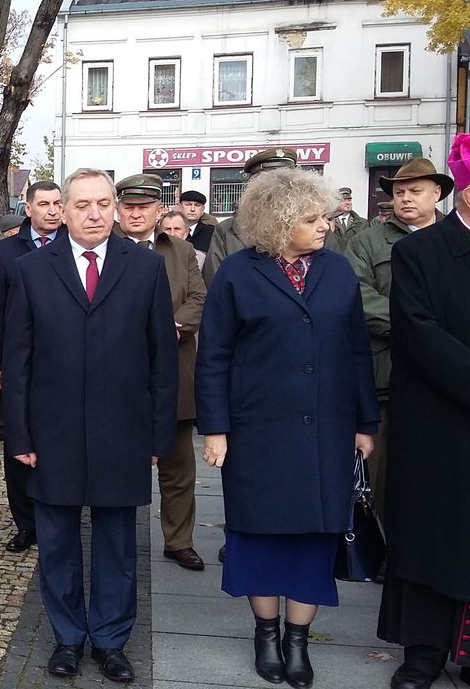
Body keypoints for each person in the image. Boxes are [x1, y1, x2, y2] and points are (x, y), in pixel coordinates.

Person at [196, 167, 379, 688]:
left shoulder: (338, 271)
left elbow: (356, 351)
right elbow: (214, 356)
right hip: (258, 433)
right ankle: (265, 633)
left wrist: (366, 421)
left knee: (313, 539)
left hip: (326, 430)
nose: (324, 225)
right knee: (259, 536)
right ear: (278, 223)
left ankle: (297, 643)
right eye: (311, 218)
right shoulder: (237, 274)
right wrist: (215, 429)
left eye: (323, 216)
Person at [2, 168, 177, 684]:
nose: (95, 213)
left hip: (122, 429)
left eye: (104, 203)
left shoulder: (144, 268)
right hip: (52, 431)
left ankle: (110, 639)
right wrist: (21, 434)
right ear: (64, 211)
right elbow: (19, 361)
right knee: (56, 541)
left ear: (116, 208)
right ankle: (67, 637)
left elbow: (161, 360)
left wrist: (158, 434)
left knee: (118, 543)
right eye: (83, 205)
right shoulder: (33, 269)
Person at [376, 138, 470, 689]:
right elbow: (418, 332)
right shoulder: (419, 252)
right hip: (437, 417)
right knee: (433, 534)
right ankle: (426, 649)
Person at [114, 174, 208, 572]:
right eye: (129, 206)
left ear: (158, 209)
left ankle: (178, 540)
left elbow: (199, 297)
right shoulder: (105, 250)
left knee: (178, 466)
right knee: (118, 462)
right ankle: (116, 541)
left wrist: (171, 325)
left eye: (144, 207)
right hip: (122, 375)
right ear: (119, 209)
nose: (136, 213)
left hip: (175, 369)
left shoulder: (181, 250)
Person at [345, 157, 446, 524]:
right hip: (385, 373)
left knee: (436, 468)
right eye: (399, 192)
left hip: (444, 377)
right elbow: (357, 294)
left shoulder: (454, 239)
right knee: (381, 469)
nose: (405, 198)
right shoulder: (367, 242)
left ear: (437, 193)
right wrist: (417, 328)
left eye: (415, 191)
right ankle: (383, 547)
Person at [0, 180, 66, 554]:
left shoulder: (73, 245)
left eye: (57, 203)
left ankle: (58, 514)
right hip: (17, 361)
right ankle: (25, 523)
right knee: (17, 442)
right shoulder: (5, 252)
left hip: (60, 361)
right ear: (27, 209)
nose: (52, 210)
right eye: (44, 203)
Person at [204, 148, 298, 285]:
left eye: (286, 181)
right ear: (254, 187)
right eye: (272, 181)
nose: (279, 189)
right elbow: (215, 282)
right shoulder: (226, 230)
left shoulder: (316, 227)